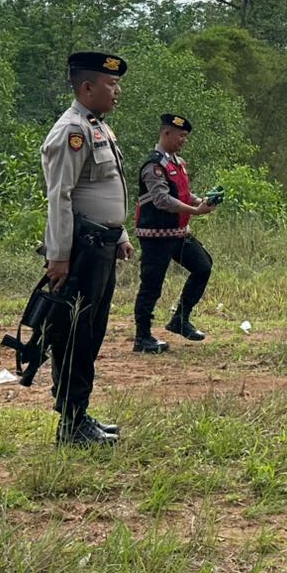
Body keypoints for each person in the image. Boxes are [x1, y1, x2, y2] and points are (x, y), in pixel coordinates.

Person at [39, 52, 133, 447]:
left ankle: (79, 414)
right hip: (81, 250)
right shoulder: (71, 130)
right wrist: (59, 255)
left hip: (102, 247)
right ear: (87, 87)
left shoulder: (98, 127)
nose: (117, 90)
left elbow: (105, 187)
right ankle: (72, 423)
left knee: (90, 332)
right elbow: (60, 196)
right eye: (110, 84)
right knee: (74, 335)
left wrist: (120, 233)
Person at [132, 114, 218, 354]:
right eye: (181, 136)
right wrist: (195, 210)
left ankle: (180, 318)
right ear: (166, 133)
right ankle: (142, 337)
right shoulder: (154, 165)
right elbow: (162, 200)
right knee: (152, 284)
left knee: (203, 266)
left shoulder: (176, 163)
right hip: (155, 235)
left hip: (179, 233)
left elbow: (182, 194)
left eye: (186, 137)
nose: (184, 141)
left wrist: (202, 201)